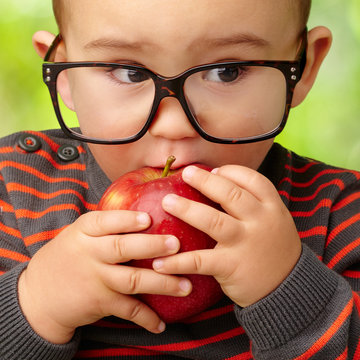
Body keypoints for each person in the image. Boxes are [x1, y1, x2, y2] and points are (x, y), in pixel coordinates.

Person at [0, 0, 359, 359]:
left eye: (227, 71)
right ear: (63, 74)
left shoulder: (341, 216)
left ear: (303, 67)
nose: (174, 125)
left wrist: (290, 293)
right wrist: (34, 302)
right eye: (130, 73)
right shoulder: (14, 192)